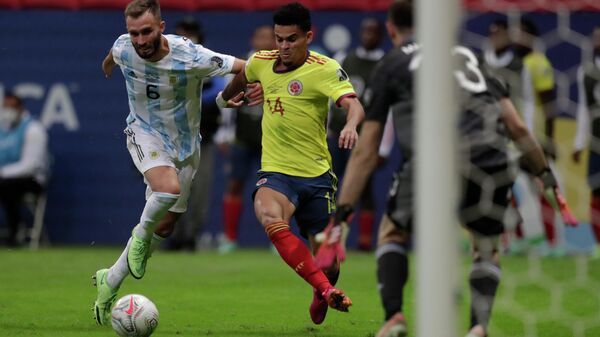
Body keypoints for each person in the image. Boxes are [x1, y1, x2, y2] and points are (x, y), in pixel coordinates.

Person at [315, 1, 559, 336]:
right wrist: (545, 174)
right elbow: (516, 127)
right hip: (490, 158)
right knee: (485, 245)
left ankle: (395, 318)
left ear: (391, 28)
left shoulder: (393, 62)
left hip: (436, 156)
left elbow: (366, 150)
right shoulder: (469, 57)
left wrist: (342, 215)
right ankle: (478, 327)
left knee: (392, 231)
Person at [92, 0, 254, 325]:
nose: (139, 40)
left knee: (165, 226)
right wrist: (108, 65)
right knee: (166, 190)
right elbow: (112, 56)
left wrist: (233, 96)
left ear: (162, 28)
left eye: (146, 32)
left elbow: (246, 67)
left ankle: (110, 280)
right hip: (143, 132)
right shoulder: (124, 47)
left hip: (185, 145)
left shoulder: (190, 55)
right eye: (134, 33)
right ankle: (139, 237)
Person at [219, 2, 363, 324]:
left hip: (317, 176)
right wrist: (226, 99)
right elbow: (242, 77)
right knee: (270, 217)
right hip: (276, 173)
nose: (283, 47)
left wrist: (351, 125)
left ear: (308, 36)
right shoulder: (260, 62)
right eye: (279, 39)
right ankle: (326, 290)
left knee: (330, 262)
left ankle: (322, 287)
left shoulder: (324, 68)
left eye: (292, 39)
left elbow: (353, 105)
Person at [484, 18, 562, 256]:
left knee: (540, 185)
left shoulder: (524, 66)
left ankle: (552, 242)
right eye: (492, 33)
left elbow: (529, 104)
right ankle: (513, 241)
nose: (496, 37)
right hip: (494, 139)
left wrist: (528, 137)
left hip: (521, 137)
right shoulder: (483, 64)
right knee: (503, 191)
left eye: (500, 33)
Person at [165, 16, 227, 251]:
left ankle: (191, 236)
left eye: (191, 33)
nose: (187, 37)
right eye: (182, 32)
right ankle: (172, 235)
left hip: (205, 138)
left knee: (199, 190)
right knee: (172, 189)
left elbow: (220, 93)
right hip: (173, 138)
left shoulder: (208, 63)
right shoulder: (166, 64)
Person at [328, 17, 386, 251]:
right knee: (329, 185)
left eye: (373, 32)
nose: (368, 36)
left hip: (365, 137)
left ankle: (363, 241)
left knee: (364, 189)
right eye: (365, 31)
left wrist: (383, 146)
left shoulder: (384, 64)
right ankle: (329, 237)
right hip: (337, 133)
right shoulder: (345, 59)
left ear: (381, 35)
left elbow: (387, 107)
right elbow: (329, 95)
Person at [218, 25, 275, 254]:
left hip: (270, 141)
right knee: (235, 185)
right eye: (260, 36)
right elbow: (226, 102)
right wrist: (224, 134)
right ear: (253, 39)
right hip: (241, 138)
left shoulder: (279, 68)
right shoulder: (241, 67)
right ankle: (229, 238)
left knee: (275, 191)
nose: (264, 41)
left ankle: (276, 240)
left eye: (268, 37)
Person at [0, 92, 48, 247]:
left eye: (11, 107)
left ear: (20, 108)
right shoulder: (3, 130)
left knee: (7, 187)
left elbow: (30, 165)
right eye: (5, 107)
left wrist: (2, 173)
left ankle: (15, 233)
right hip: (7, 179)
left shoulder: (33, 129)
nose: (7, 111)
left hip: (32, 180)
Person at [572, 25, 600, 257]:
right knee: (596, 191)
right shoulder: (586, 72)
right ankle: (599, 244)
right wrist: (579, 143)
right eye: (595, 36)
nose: (596, 40)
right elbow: (583, 109)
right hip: (596, 143)